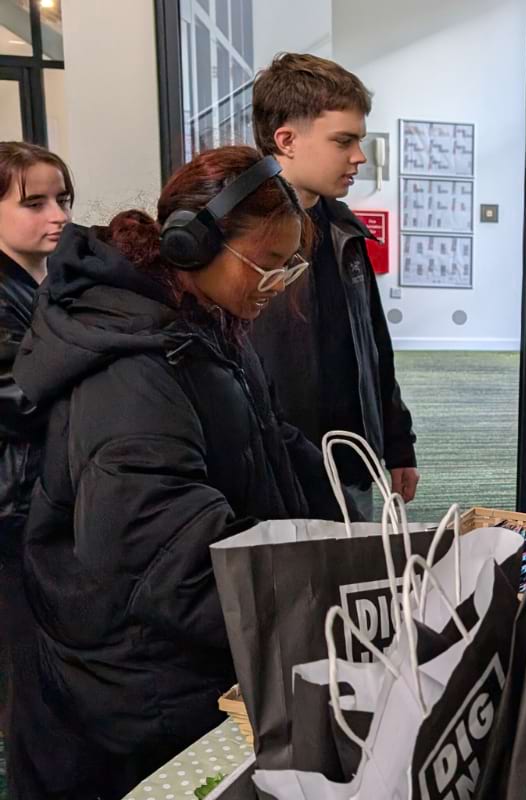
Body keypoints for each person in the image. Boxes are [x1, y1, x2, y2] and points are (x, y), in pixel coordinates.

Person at [8, 146, 344, 799]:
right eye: (266, 266)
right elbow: (165, 557)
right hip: (141, 685)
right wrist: (317, 614)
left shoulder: (199, 322)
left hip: (178, 659)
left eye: (288, 266)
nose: (277, 286)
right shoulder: (134, 372)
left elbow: (259, 435)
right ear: (193, 249)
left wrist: (347, 514)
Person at [250, 53, 418, 519]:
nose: (359, 157)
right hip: (276, 476)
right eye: (344, 141)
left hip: (351, 464)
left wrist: (398, 443)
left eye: (359, 140)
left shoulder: (344, 230)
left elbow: (373, 345)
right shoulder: (240, 243)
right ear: (286, 140)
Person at [0, 141, 71, 786]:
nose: (57, 215)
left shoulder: (45, 285)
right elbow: (20, 399)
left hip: (38, 502)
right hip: (10, 513)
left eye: (62, 199)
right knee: (28, 682)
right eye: (34, 202)